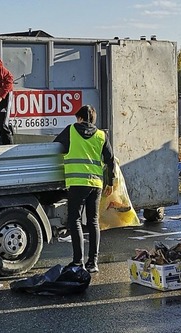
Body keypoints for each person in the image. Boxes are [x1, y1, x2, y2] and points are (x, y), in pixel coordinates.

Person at [53, 105, 115, 273]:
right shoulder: (102, 135)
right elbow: (110, 160)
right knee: (93, 221)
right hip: (96, 184)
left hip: (77, 183)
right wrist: (110, 182)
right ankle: (93, 262)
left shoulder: (71, 130)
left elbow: (55, 146)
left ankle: (77, 261)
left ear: (80, 118)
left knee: (75, 220)